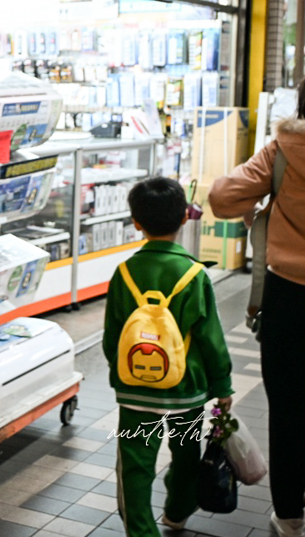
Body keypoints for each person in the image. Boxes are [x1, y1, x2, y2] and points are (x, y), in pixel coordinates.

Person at [209, 59, 305, 537]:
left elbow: (222, 198)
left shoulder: (282, 150)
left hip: (287, 297)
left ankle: (288, 517)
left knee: (286, 406)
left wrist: (262, 207)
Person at [102, 177, 233, 537]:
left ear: (136, 222)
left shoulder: (124, 273)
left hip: (136, 390)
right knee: (187, 455)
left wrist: (120, 374)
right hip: (186, 391)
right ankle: (176, 512)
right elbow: (210, 338)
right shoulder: (194, 275)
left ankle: (142, 531)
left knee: (135, 466)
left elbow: (112, 336)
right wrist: (222, 384)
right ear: (185, 218)